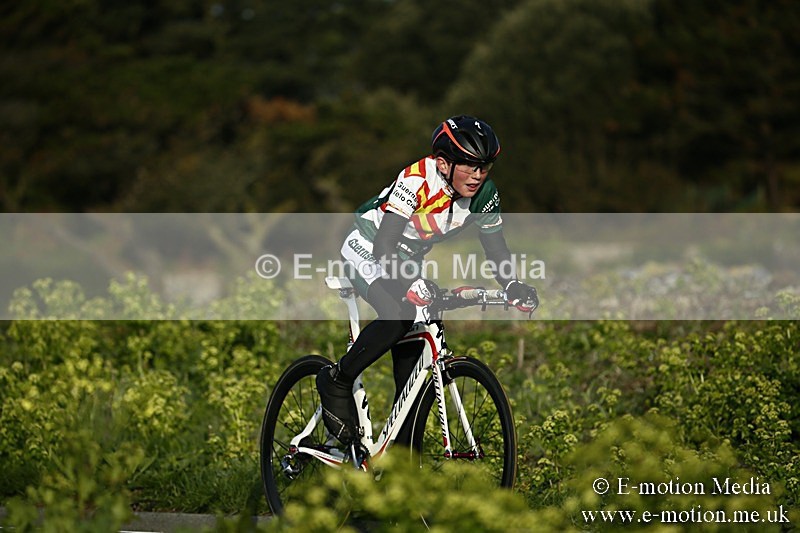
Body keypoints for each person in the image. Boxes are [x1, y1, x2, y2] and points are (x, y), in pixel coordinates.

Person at [317, 115, 538, 445]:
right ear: (443, 163)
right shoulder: (416, 178)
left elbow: (496, 248)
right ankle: (337, 379)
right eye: (469, 165)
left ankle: (402, 457)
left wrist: (512, 285)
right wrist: (407, 284)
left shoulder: (485, 194)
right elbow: (384, 246)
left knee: (418, 353)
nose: (478, 175)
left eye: (485, 166)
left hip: (406, 258)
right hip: (369, 246)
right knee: (400, 315)